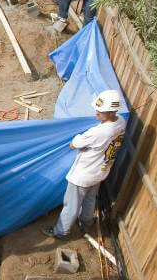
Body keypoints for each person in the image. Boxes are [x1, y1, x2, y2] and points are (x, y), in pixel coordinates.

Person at [43, 89, 125, 240]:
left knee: (71, 205)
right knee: (89, 200)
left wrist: (78, 137)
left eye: (100, 111)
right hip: (100, 171)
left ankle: (61, 232)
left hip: (83, 174)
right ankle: (86, 224)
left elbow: (74, 144)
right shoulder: (120, 121)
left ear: (111, 111)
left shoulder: (98, 132)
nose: (96, 113)